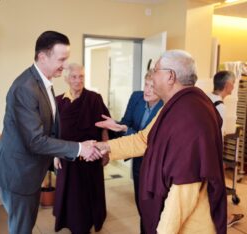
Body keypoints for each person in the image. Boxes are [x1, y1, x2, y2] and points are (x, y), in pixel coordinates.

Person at [96, 50, 227, 233]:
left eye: (156, 70)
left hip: (189, 224)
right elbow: (144, 139)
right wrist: (104, 146)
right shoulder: (174, 105)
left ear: (170, 76)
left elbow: (184, 188)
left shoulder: (191, 115)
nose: (152, 76)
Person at [0, 31, 102, 234]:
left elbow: (49, 128)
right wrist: (79, 148)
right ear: (42, 57)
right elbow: (35, 140)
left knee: (27, 225)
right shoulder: (25, 88)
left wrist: (57, 154)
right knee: (21, 229)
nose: (65, 65)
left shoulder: (44, 82)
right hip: (18, 174)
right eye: (61, 59)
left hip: (30, 172)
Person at [95, 70, 163, 233]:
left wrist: (124, 128)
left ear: (161, 88)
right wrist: (116, 125)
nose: (147, 90)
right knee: (141, 205)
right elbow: (126, 124)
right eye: (146, 85)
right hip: (139, 162)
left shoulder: (166, 107)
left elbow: (151, 141)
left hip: (156, 164)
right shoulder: (136, 97)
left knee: (155, 208)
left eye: (152, 87)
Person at [53, 63, 110, 234]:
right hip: (67, 157)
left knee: (89, 195)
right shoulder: (58, 102)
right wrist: (55, 155)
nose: (78, 80)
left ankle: (87, 224)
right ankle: (74, 224)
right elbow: (54, 132)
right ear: (66, 79)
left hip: (91, 157)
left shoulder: (94, 98)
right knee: (71, 197)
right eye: (74, 77)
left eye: (81, 76)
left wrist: (106, 151)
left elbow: (104, 126)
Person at [208, 70, 244, 228]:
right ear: (228, 85)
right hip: (211, 154)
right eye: (233, 83)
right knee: (217, 187)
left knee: (209, 187)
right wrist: (219, 160)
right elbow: (217, 136)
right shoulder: (220, 107)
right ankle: (225, 218)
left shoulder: (207, 98)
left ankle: (221, 216)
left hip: (201, 152)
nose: (234, 86)